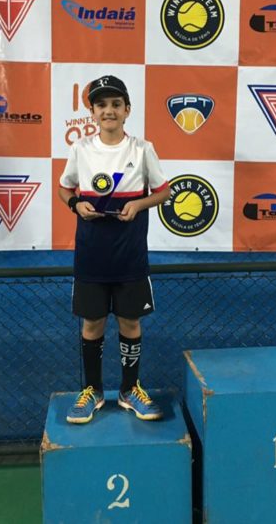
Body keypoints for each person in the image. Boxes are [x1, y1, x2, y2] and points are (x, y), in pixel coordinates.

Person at [58, 74, 171, 424]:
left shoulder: (142, 149)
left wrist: (139, 204)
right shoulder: (80, 149)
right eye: (101, 105)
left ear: (127, 110)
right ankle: (92, 391)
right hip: (92, 255)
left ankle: (128, 390)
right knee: (92, 324)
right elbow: (65, 189)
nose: (109, 111)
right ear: (92, 112)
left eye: (116, 104)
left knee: (130, 322)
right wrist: (75, 204)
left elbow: (164, 192)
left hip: (130, 255)